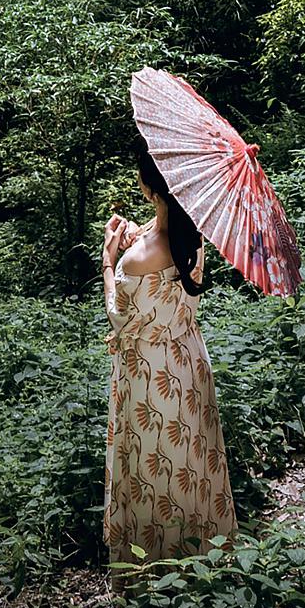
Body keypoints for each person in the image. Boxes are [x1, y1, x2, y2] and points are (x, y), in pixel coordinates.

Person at [101, 136, 236, 584]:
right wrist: (137, 232)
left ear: (148, 187)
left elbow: (119, 318)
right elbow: (163, 236)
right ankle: (201, 563)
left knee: (152, 462)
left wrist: (108, 258)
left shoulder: (136, 259)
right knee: (191, 457)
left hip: (149, 372)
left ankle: (152, 571)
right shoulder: (193, 235)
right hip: (189, 361)